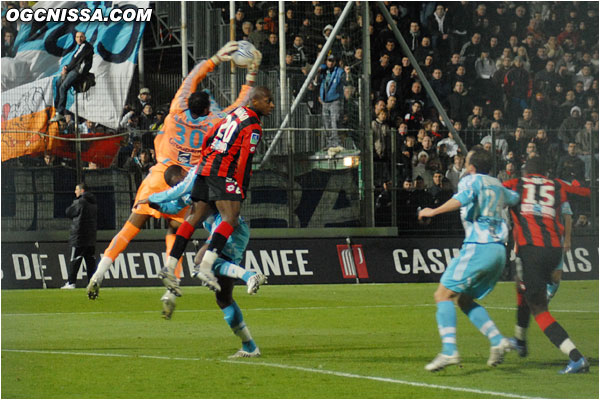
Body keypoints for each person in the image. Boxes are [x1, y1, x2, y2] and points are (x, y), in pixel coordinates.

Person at [86, 42, 261, 299]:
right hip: (186, 180)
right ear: (206, 108)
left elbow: (192, 77)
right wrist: (251, 75)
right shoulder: (214, 122)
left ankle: (99, 273)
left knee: (131, 226)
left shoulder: (175, 111)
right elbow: (240, 106)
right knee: (176, 231)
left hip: (160, 174)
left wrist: (215, 57)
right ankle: (170, 289)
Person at [159, 86, 274, 296]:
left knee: (194, 217)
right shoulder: (253, 126)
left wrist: (206, 157)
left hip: (206, 165)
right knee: (231, 218)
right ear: (255, 101)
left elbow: (210, 134)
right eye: (268, 101)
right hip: (223, 170)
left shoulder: (234, 113)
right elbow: (245, 161)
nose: (272, 105)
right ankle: (206, 267)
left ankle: (169, 267)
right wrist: (240, 188)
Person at [418, 147, 520, 371]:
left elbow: (462, 199)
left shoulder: (470, 180)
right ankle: (497, 340)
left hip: (479, 247)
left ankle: (449, 351)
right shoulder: (498, 184)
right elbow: (516, 199)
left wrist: (432, 212)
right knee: (464, 300)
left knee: (442, 295)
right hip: (499, 251)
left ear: (471, 167)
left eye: (466, 162)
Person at [136, 164, 267, 323]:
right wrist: (154, 205)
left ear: (184, 172)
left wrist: (153, 197)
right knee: (223, 297)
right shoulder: (187, 192)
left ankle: (250, 275)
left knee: (200, 260)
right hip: (224, 230)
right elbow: (173, 206)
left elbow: (178, 191)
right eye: (174, 185)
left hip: (228, 226)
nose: (178, 186)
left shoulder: (196, 174)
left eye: (178, 182)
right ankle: (250, 346)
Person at [503, 157, 589, 374]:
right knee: (522, 287)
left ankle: (576, 357)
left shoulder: (517, 184)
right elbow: (585, 192)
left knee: (539, 308)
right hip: (553, 250)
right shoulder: (556, 184)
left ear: (526, 172)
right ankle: (520, 339)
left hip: (531, 249)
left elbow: (493, 190)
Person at [50, 31, 94, 122]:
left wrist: (67, 68)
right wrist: (66, 67)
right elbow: (74, 60)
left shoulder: (86, 47)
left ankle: (60, 112)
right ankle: (57, 110)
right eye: (77, 37)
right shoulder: (80, 47)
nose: (79, 39)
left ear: (85, 38)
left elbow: (76, 59)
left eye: (81, 37)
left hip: (78, 71)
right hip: (74, 69)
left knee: (63, 87)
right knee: (58, 83)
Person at [61, 183, 98, 289]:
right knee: (90, 261)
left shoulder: (80, 202)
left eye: (76, 189)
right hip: (90, 236)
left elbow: (69, 212)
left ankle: (71, 282)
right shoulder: (94, 203)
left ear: (82, 191)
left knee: (75, 260)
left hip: (79, 236)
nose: (75, 191)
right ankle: (92, 282)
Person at [317, 54, 347, 152]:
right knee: (326, 123)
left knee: (335, 121)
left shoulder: (339, 72)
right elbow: (317, 82)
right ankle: (329, 143)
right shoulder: (324, 71)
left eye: (332, 61)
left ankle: (337, 144)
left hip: (335, 100)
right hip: (325, 101)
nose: (330, 62)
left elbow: (344, 81)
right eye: (328, 60)